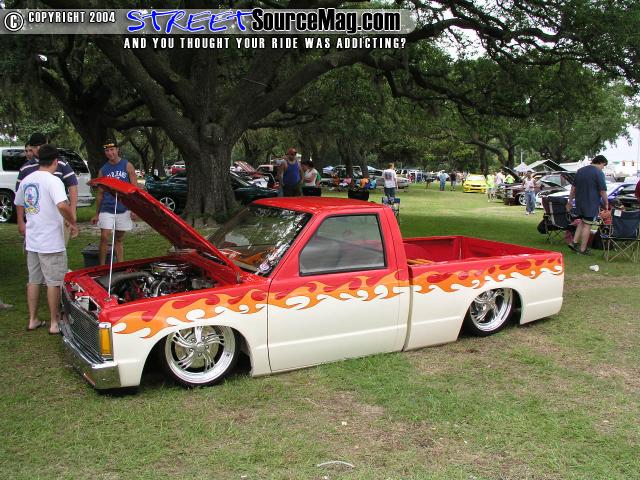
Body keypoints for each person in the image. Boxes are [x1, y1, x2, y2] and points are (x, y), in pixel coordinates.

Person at [14, 144, 79, 333]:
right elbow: (62, 205)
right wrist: (72, 221)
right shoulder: (53, 181)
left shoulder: (27, 179)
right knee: (54, 282)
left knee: (33, 280)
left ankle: (33, 319)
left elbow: (19, 202)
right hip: (50, 241)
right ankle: (54, 322)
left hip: (33, 239)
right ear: (55, 161)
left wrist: (21, 221)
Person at [16, 133, 79, 238]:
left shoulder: (60, 163)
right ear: (30, 147)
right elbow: (19, 198)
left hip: (58, 217)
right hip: (35, 219)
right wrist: (20, 221)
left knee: (56, 242)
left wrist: (72, 214)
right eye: (35, 147)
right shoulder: (25, 169)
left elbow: (72, 186)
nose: (38, 149)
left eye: (41, 145)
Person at [91, 138, 138, 265]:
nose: (110, 153)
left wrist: (134, 209)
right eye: (107, 151)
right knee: (104, 237)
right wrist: (97, 213)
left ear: (117, 150)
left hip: (124, 208)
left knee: (118, 239)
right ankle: (102, 267)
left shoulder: (127, 165)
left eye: (112, 150)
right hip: (107, 208)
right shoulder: (103, 170)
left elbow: (135, 190)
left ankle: (120, 265)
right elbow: (100, 193)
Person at [567, 155, 609, 255]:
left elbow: (573, 187)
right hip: (591, 202)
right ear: (601, 162)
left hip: (579, 202)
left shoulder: (580, 171)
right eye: (604, 165)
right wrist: (606, 203)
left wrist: (570, 200)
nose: (603, 168)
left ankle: (574, 242)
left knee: (582, 221)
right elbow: (602, 190)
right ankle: (583, 249)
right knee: (588, 225)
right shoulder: (598, 173)